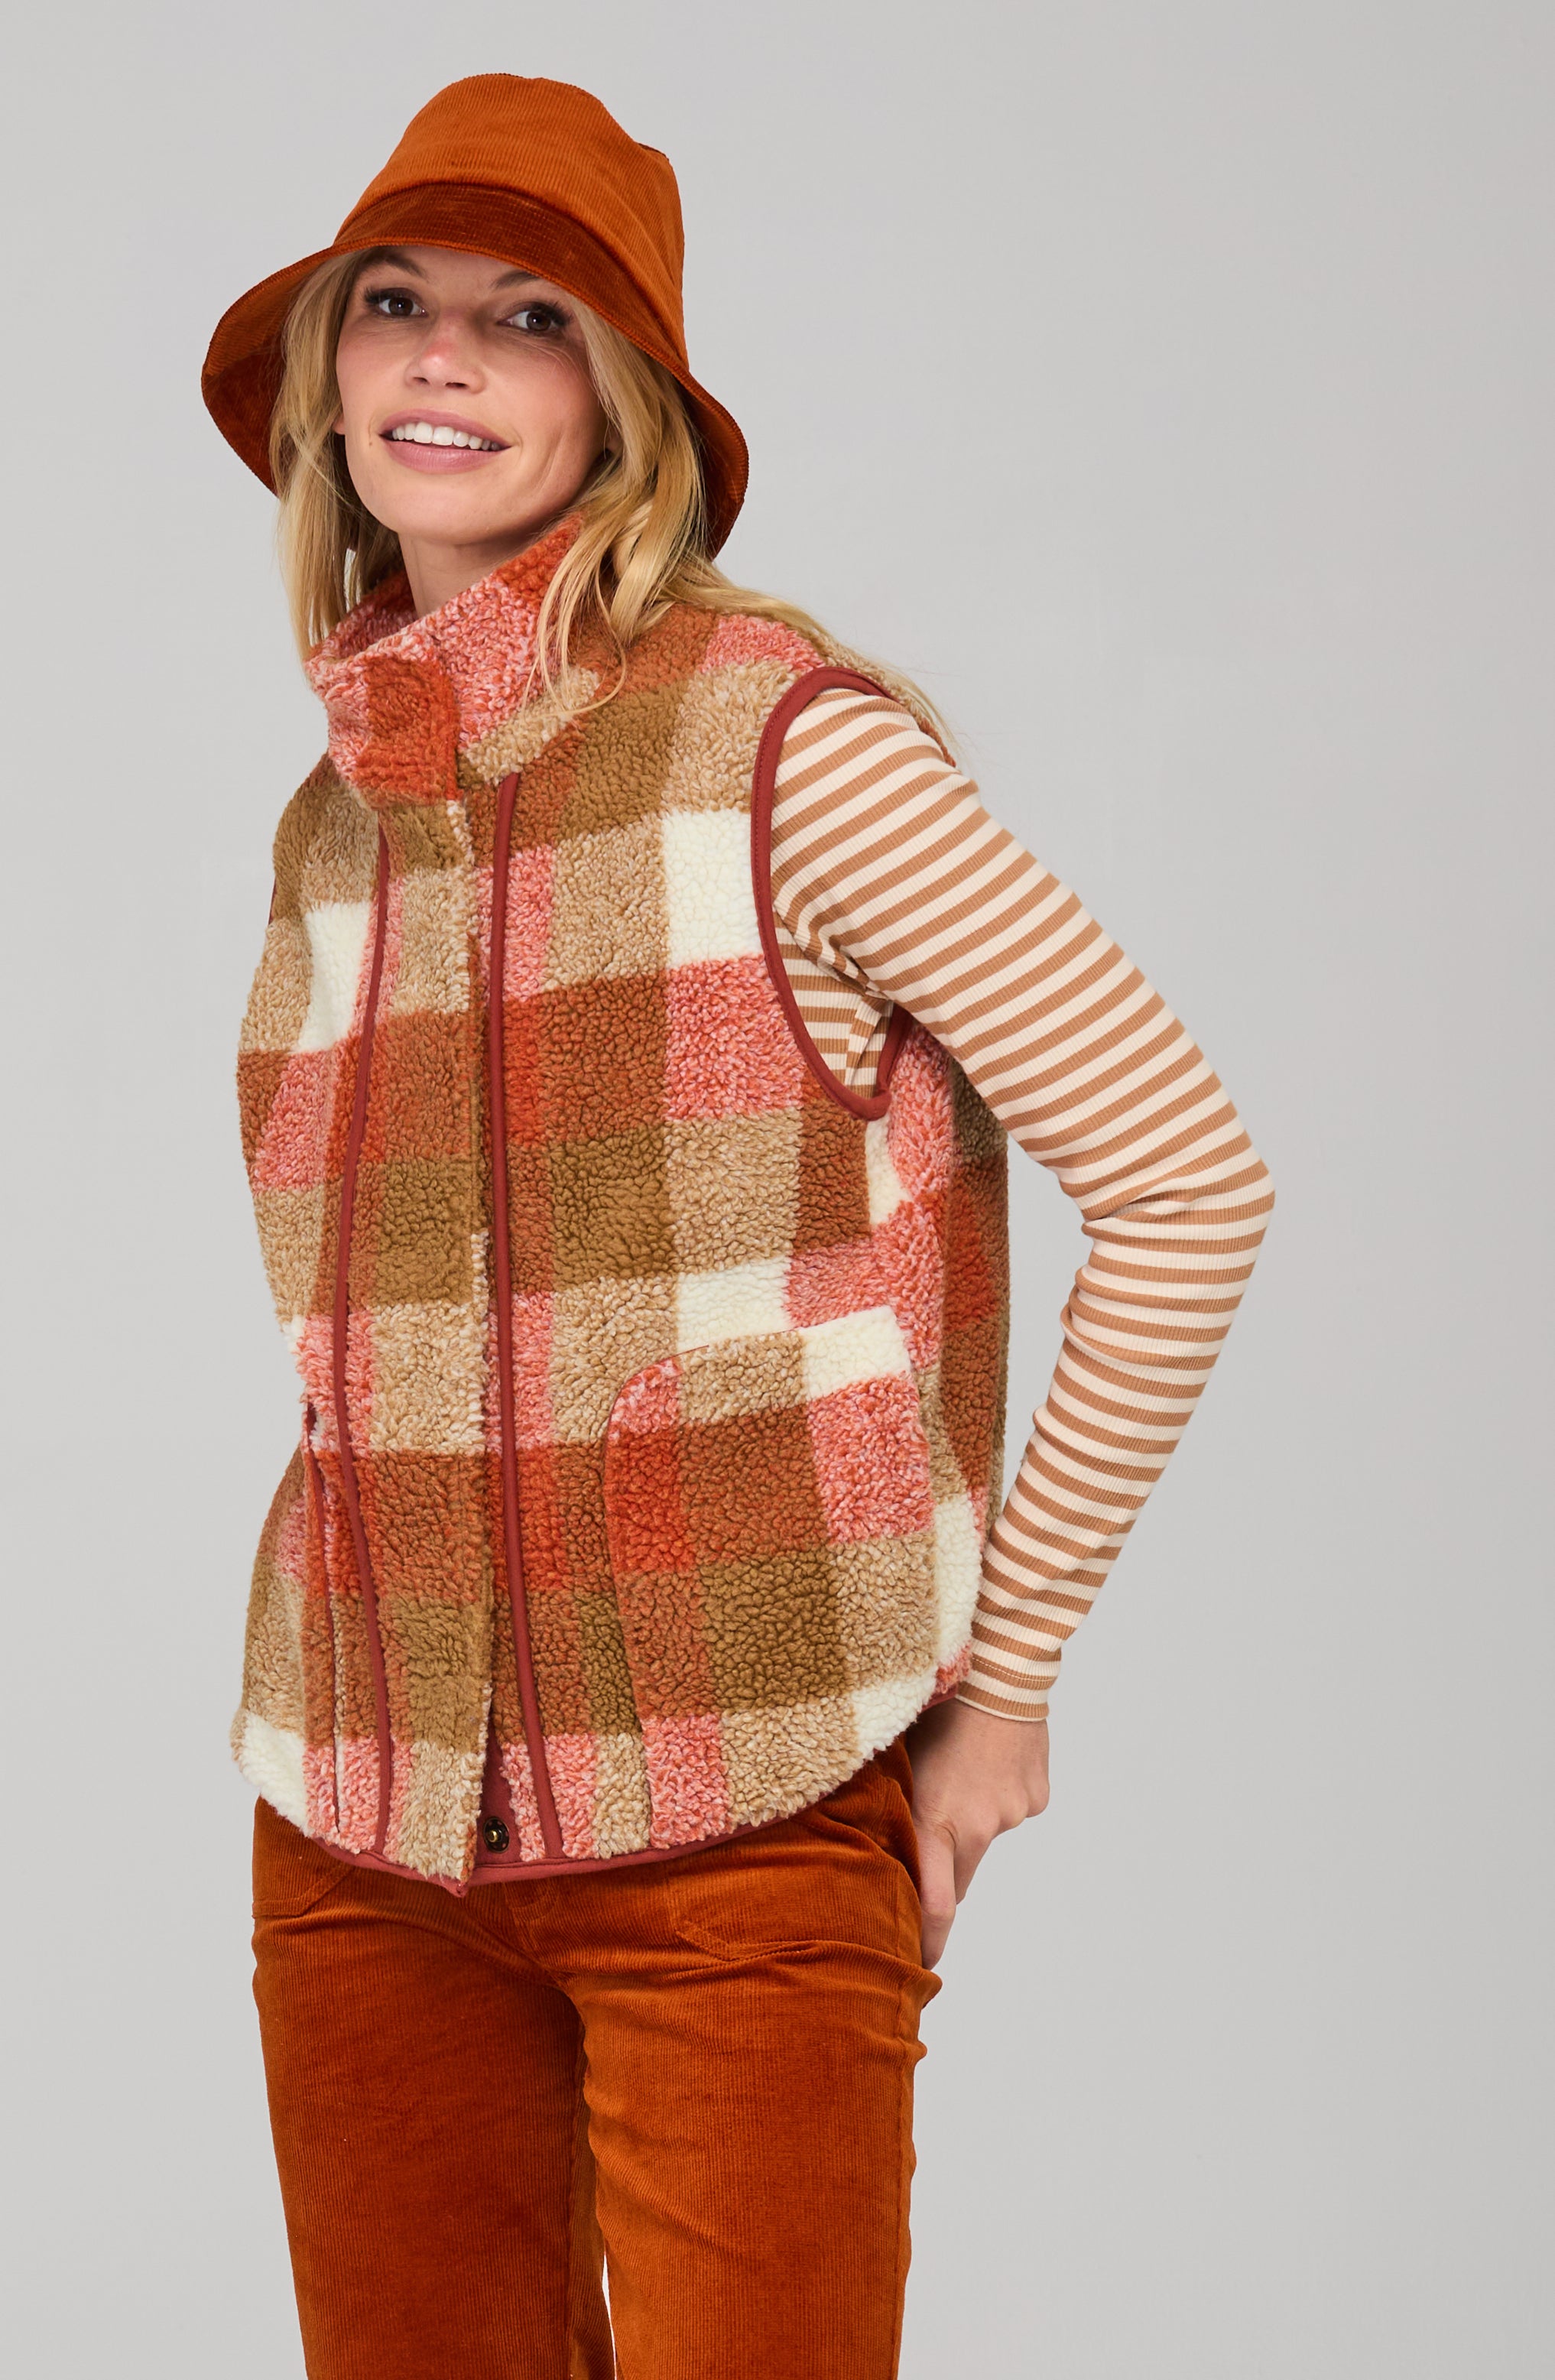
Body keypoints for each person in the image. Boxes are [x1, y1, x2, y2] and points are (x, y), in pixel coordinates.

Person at [200, 72, 1271, 2380]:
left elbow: (1187, 1178)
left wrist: (1007, 1682)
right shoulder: (332, 827)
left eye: (525, 317)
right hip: (360, 1841)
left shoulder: (793, 748)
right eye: (391, 308)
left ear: (630, 404)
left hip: (744, 1818)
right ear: (324, 391)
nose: (440, 360)